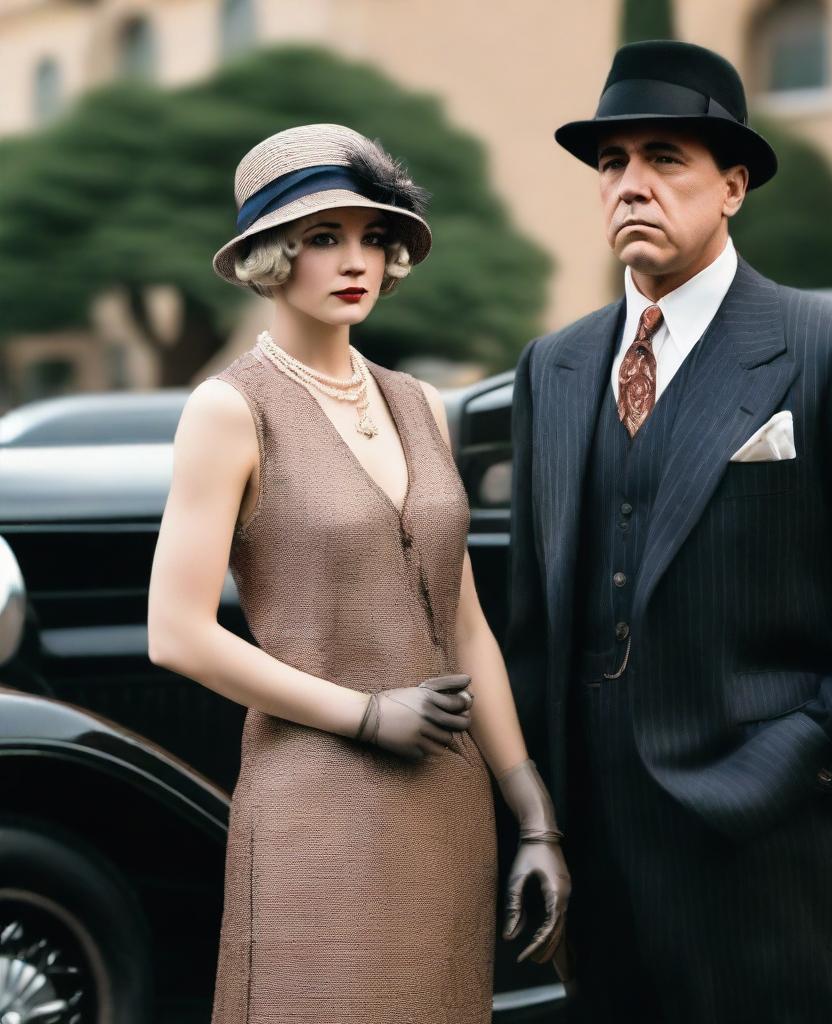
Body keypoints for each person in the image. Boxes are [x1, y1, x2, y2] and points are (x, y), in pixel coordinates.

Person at [504, 41, 832, 1023]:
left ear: (731, 185)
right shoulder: (549, 367)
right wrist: (533, 813)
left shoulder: (826, 349)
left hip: (756, 821)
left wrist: (816, 742)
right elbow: (532, 605)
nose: (630, 184)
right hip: (587, 825)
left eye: (662, 158)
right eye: (611, 163)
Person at [147, 122, 569, 1023]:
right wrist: (368, 714)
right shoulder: (230, 409)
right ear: (270, 255)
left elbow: (464, 626)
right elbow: (176, 634)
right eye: (324, 237)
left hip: (449, 808)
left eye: (374, 238)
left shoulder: (418, 404)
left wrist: (529, 804)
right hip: (317, 806)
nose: (358, 261)